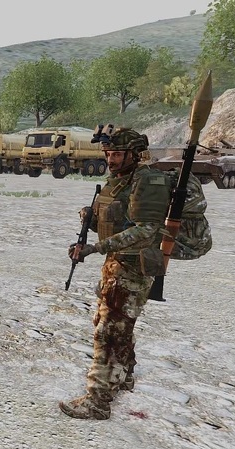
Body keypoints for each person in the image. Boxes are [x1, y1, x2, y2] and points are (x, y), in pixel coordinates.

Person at [60, 128, 170, 420]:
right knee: (117, 327)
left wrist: (96, 247)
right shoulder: (119, 181)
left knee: (108, 332)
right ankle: (124, 376)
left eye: (117, 154)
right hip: (116, 264)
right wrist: (92, 219)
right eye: (108, 154)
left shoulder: (148, 181)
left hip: (133, 266)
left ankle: (97, 402)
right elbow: (118, 224)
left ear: (135, 154)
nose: (111, 159)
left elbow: (146, 229)